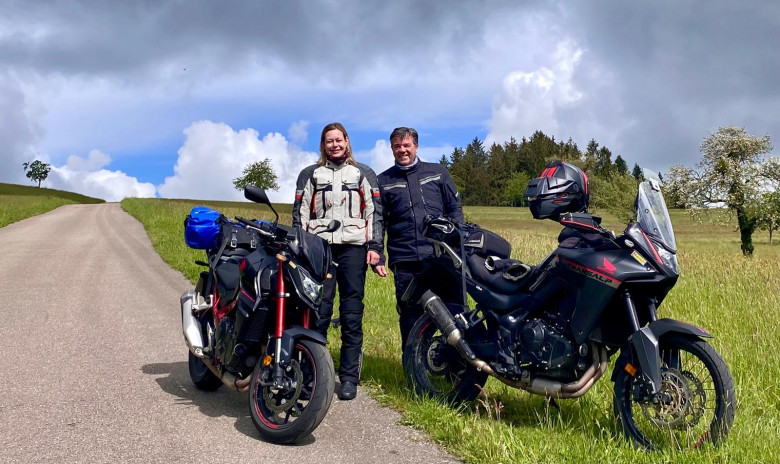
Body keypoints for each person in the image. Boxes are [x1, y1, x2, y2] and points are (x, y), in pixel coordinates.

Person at [292, 122, 382, 401]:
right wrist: (300, 247)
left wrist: (375, 247)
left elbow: (374, 213)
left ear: (347, 141)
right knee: (318, 312)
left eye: (338, 140)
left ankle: (349, 378)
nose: (334, 145)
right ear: (323, 145)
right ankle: (310, 375)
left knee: (351, 314)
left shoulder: (363, 173)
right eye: (329, 141)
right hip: (320, 249)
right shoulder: (310, 174)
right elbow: (300, 213)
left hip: (354, 249)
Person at [373, 127, 464, 349]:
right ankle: (413, 365)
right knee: (411, 316)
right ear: (392, 149)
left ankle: (460, 365)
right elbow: (378, 220)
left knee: (456, 313)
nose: (402, 150)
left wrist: (457, 242)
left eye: (406, 145)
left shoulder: (438, 172)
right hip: (406, 260)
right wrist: (378, 253)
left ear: (416, 146)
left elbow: (455, 209)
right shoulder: (383, 181)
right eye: (397, 146)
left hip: (443, 257)